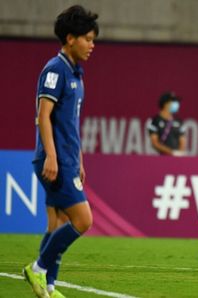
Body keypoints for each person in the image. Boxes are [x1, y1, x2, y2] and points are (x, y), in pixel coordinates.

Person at [23, 5, 99, 298]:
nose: (92, 45)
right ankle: (39, 269)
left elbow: (70, 124)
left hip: (68, 158)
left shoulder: (76, 73)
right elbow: (44, 116)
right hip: (54, 158)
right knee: (83, 220)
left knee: (59, 222)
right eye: (88, 39)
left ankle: (48, 286)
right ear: (70, 38)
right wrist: (53, 157)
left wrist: (77, 158)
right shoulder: (55, 69)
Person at [148, 92, 186, 156]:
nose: (177, 104)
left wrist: (179, 153)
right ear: (166, 104)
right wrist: (171, 152)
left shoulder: (179, 121)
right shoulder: (154, 121)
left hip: (177, 159)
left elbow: (182, 141)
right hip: (162, 158)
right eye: (173, 102)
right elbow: (155, 143)